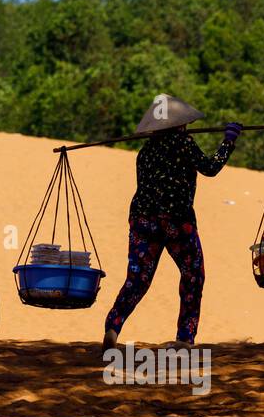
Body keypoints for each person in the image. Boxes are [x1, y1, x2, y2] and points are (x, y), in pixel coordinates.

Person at [101, 95, 242, 352]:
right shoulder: (184, 144)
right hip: (176, 221)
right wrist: (228, 142)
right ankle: (185, 338)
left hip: (143, 220)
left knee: (138, 278)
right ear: (180, 125)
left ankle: (113, 327)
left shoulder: (145, 151)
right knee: (192, 275)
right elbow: (210, 168)